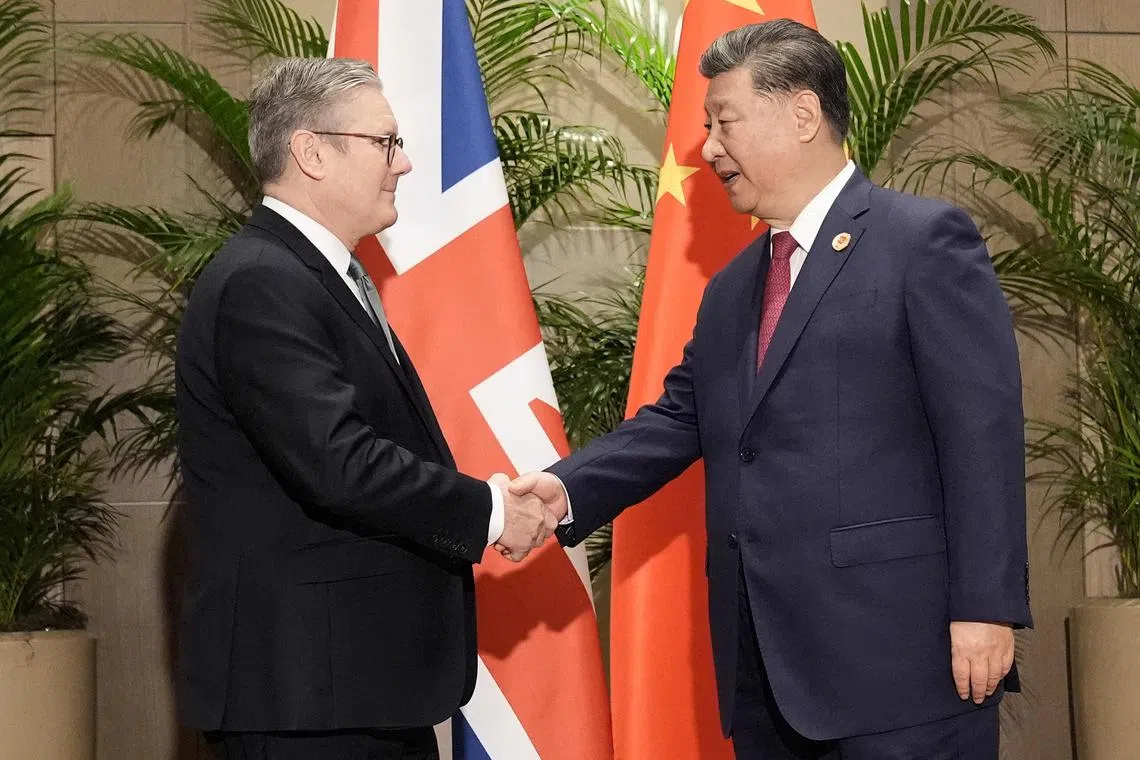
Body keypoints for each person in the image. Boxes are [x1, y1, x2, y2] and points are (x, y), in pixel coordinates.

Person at [511, 19, 1032, 759]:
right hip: (765, 669)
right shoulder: (732, 289)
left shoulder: (922, 242)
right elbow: (677, 420)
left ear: (803, 114)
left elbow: (981, 433)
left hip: (902, 665)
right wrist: (564, 491)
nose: (710, 149)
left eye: (724, 123)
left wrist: (986, 608)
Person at [174, 57, 553, 760]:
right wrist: (494, 512)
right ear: (312, 152)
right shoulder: (264, 282)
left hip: (352, 687)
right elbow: (340, 462)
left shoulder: (317, 275)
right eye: (385, 142)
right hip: (304, 701)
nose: (404, 163)